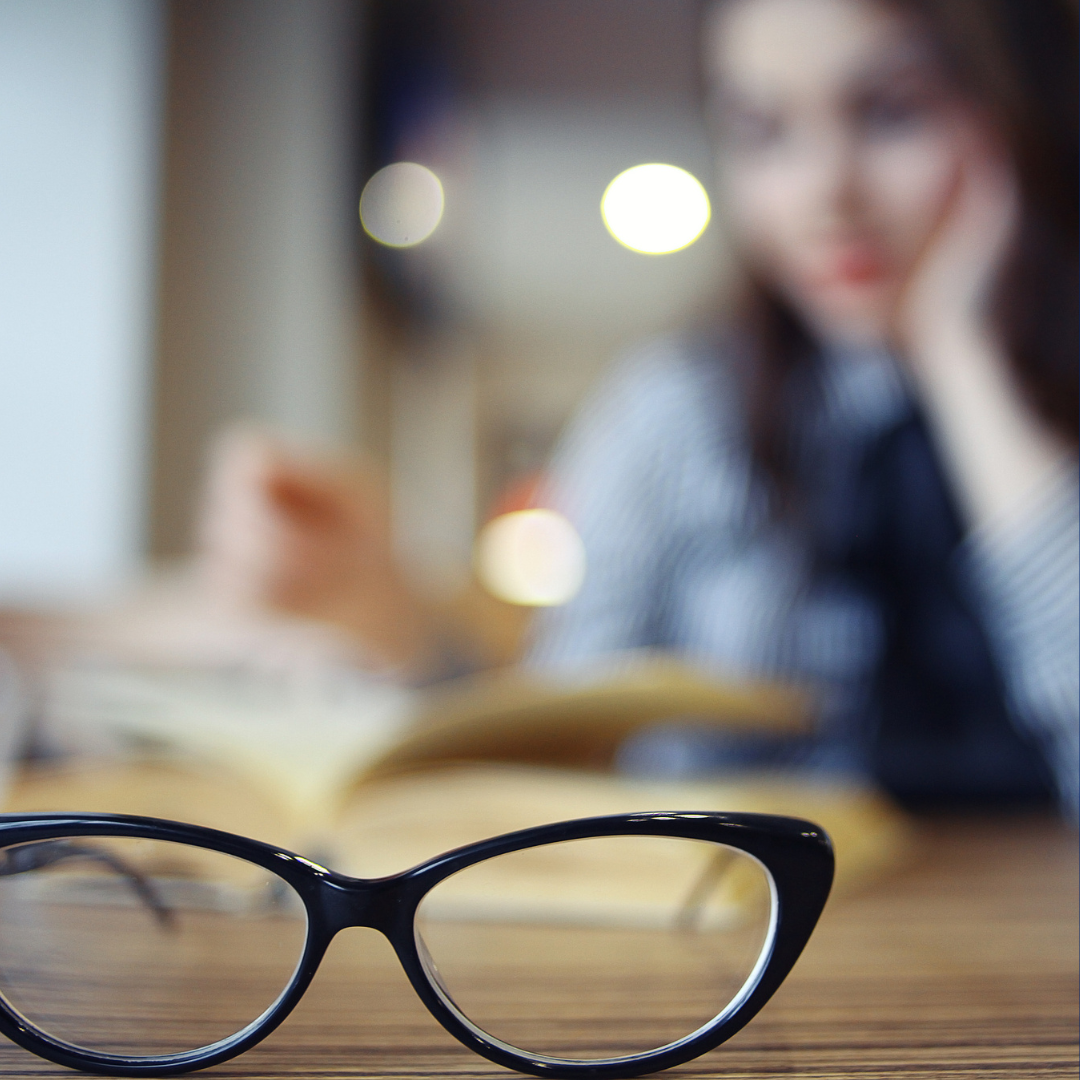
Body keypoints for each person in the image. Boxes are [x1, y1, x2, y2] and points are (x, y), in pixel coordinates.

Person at [199, 0, 1078, 815]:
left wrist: (964, 357)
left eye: (892, 111)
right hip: (759, 948)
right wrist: (402, 636)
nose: (823, 194)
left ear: (1014, 105)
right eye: (761, 131)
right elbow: (566, 728)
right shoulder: (674, 413)